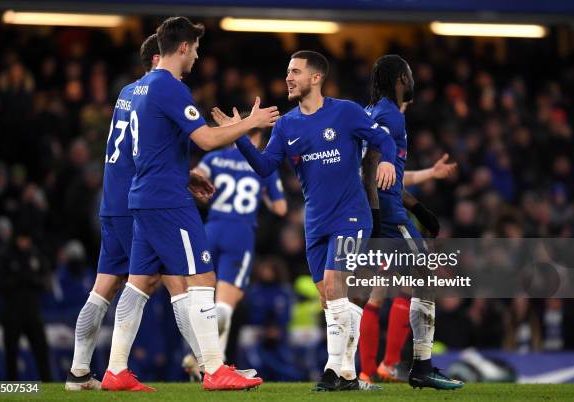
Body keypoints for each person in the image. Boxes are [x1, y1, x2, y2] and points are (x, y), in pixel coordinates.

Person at [100, 16, 279, 392]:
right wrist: (251, 122)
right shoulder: (170, 86)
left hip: (145, 196)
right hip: (168, 202)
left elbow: (155, 147)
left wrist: (186, 173)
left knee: (139, 283)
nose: (197, 56)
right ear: (183, 47)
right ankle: (214, 369)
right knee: (203, 277)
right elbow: (207, 140)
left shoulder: (141, 87)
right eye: (195, 49)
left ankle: (115, 369)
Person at [214, 50, 395, 391]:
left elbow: (382, 138)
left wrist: (386, 161)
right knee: (331, 302)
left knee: (333, 284)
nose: (288, 77)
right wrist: (239, 134)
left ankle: (330, 371)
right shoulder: (286, 125)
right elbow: (265, 166)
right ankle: (348, 376)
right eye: (287, 72)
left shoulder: (346, 112)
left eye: (295, 71)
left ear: (316, 77)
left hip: (351, 215)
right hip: (315, 222)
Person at [65, 34, 215, 391]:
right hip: (140, 202)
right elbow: (150, 150)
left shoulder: (127, 94)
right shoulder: (157, 91)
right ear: (157, 60)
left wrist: (184, 174)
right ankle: (211, 365)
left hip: (112, 201)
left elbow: (132, 148)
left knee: (104, 288)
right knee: (177, 283)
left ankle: (79, 372)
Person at [364, 54, 463, 390]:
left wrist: (418, 208)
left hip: (389, 214)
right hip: (391, 219)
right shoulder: (390, 116)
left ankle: (365, 369)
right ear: (399, 79)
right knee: (424, 283)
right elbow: (371, 168)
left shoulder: (374, 113)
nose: (411, 80)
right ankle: (420, 366)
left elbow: (386, 174)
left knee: (376, 293)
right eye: (408, 74)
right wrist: (379, 220)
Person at [191, 123, 287, 369]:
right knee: (225, 304)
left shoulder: (214, 157)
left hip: (209, 229)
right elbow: (281, 208)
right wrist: (264, 194)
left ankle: (201, 356)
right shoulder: (262, 166)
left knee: (200, 297)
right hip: (240, 232)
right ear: (259, 138)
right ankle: (214, 363)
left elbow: (194, 176)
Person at [358, 154, 457, 384]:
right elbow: (381, 180)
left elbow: (395, 180)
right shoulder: (382, 126)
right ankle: (387, 364)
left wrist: (430, 173)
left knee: (380, 291)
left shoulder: (370, 131)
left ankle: (369, 371)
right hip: (381, 220)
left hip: (371, 217)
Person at [0, 225, 51, 382]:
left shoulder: (34, 254)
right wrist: (18, 280)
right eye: (22, 239)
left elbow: (45, 278)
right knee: (11, 352)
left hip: (31, 311)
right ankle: (12, 385)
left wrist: (32, 280)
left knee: (41, 348)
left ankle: (48, 383)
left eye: (27, 239)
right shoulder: (5, 255)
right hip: (11, 311)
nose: (25, 242)